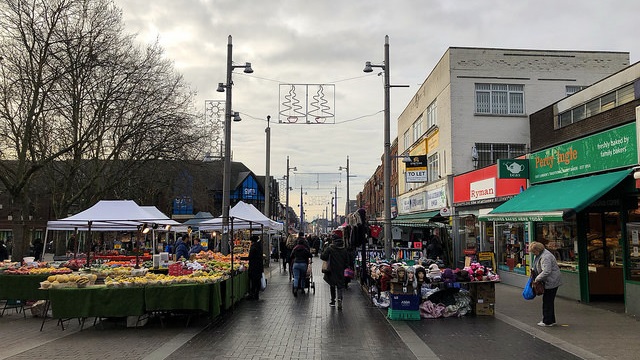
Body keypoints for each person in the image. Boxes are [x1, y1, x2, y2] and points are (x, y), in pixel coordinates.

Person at [529, 241, 562, 327]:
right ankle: (551, 320)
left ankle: (547, 321)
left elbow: (547, 271)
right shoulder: (539, 255)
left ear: (537, 250)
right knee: (549, 301)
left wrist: (537, 279)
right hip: (548, 281)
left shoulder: (545, 257)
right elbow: (537, 266)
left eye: (533, 251)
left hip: (551, 281)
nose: (533, 253)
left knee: (547, 301)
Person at [320, 237, 351, 310]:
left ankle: (333, 301)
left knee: (332, 285)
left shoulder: (330, 249)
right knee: (340, 286)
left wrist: (323, 251)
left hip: (331, 270)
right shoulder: (344, 250)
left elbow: (323, 257)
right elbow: (347, 261)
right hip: (340, 270)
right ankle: (339, 298)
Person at [247, 235, 264, 300]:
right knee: (258, 280)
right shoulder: (259, 246)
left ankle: (252, 294)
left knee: (254, 281)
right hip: (259, 266)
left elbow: (250, 257)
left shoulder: (253, 247)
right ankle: (256, 294)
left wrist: (242, 258)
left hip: (254, 266)